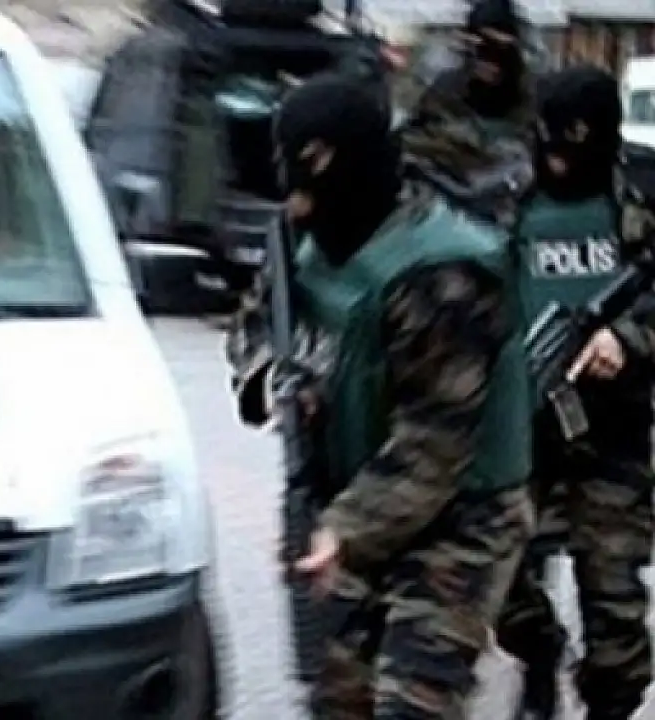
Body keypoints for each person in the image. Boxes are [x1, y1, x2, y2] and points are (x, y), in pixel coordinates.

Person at [228, 71, 534, 717]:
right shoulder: (303, 235)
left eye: (310, 189)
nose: (298, 211)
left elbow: (435, 444)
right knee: (338, 696)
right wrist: (273, 379)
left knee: (412, 701)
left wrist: (342, 532)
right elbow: (256, 324)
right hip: (351, 497)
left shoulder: (443, 271)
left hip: (461, 518)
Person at [495, 65, 655, 720]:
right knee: (498, 576)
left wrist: (628, 339)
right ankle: (538, 656)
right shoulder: (508, 199)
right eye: (549, 141)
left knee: (614, 609)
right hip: (520, 427)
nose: (558, 159)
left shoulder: (641, 195)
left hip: (613, 435)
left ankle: (608, 705)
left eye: (573, 145)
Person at [397, 0, 535, 228]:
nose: (488, 62)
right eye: (480, 49)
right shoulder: (445, 92)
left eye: (498, 50)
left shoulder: (533, 99)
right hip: (448, 215)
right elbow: (411, 145)